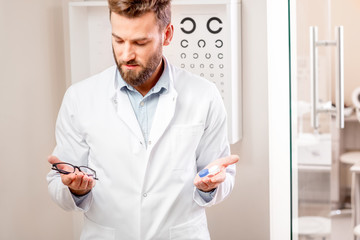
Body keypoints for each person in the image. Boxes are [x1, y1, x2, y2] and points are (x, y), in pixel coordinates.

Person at [47, 0, 239, 239]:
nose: (126, 54)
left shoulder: (204, 95)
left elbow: (221, 176)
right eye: (118, 40)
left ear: (166, 35)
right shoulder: (79, 98)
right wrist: (75, 190)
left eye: (140, 42)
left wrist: (211, 187)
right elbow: (58, 182)